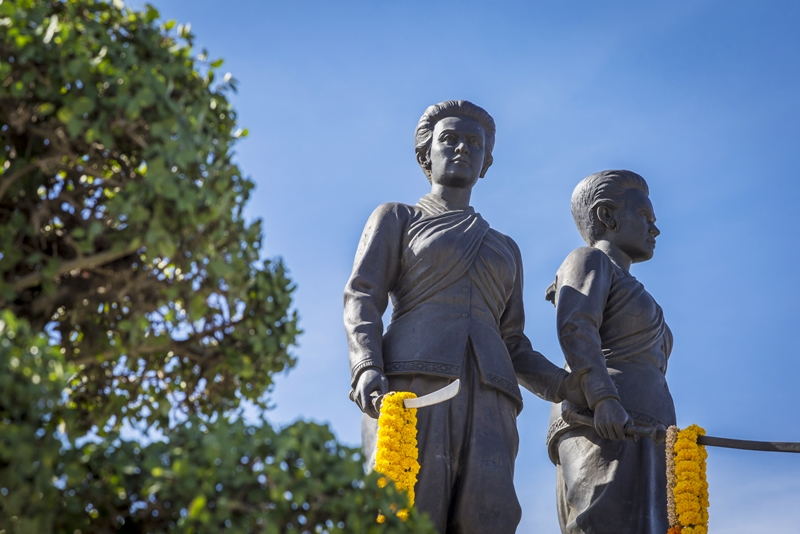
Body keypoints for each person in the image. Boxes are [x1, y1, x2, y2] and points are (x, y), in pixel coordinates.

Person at [343, 100, 583, 533]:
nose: (462, 149)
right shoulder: (399, 218)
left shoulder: (505, 247)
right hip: (413, 383)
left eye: (474, 143)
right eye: (449, 139)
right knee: (411, 510)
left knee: (487, 516)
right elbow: (362, 295)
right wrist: (365, 366)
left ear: (486, 163)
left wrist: (566, 386)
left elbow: (513, 343)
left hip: (492, 394)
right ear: (425, 155)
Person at [544, 170, 675, 534]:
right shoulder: (589, 260)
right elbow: (576, 327)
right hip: (603, 421)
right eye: (645, 218)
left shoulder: (632, 284)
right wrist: (602, 398)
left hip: (648, 429)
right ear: (607, 215)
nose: (655, 229)